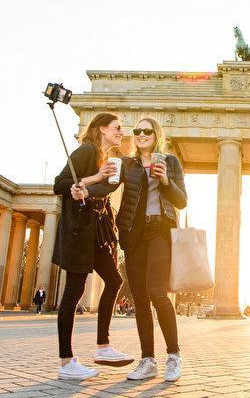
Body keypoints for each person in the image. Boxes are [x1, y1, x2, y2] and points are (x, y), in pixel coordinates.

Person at [80, 116, 187, 382]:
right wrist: (85, 188)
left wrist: (165, 182)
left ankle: (173, 355)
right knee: (140, 298)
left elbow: (182, 200)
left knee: (157, 292)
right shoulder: (127, 164)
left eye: (146, 130)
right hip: (135, 234)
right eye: (137, 130)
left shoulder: (169, 162)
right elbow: (107, 186)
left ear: (156, 134)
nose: (140, 134)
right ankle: (148, 360)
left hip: (160, 230)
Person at [53, 112, 133, 380]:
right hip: (78, 231)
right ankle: (66, 362)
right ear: (101, 129)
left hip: (96, 232)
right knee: (73, 292)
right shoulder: (87, 150)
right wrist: (89, 180)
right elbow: (60, 183)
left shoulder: (105, 157)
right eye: (116, 128)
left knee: (113, 280)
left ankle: (103, 347)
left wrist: (93, 183)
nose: (121, 132)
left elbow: (104, 187)